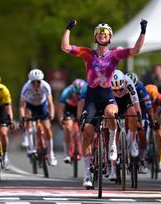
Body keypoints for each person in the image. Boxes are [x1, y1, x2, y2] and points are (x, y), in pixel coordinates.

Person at [61, 18, 147, 188]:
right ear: (96, 37)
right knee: (87, 132)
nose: (102, 35)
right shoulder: (88, 54)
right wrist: (68, 28)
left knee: (111, 114)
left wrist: (143, 31)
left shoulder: (115, 54)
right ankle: (87, 175)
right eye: (99, 33)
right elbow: (65, 47)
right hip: (92, 96)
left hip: (107, 93)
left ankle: (112, 143)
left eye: (105, 33)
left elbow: (136, 50)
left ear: (110, 38)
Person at [19, 69, 57, 166]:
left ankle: (51, 153)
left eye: (38, 82)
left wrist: (52, 114)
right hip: (30, 105)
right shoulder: (26, 88)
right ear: (30, 82)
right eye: (33, 82)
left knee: (47, 128)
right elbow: (22, 106)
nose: (36, 85)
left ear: (41, 81)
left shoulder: (46, 86)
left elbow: (50, 103)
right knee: (28, 118)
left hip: (41, 105)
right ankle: (31, 147)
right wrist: (22, 117)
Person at [110, 70, 142, 180]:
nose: (118, 92)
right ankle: (113, 169)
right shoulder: (107, 84)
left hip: (126, 99)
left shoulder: (128, 82)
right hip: (113, 101)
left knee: (133, 113)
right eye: (115, 90)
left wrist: (139, 118)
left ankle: (133, 142)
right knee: (113, 129)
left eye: (120, 89)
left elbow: (136, 101)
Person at [126, 72, 153, 174]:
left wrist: (151, 118)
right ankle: (126, 155)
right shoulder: (122, 87)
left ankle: (142, 160)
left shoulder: (141, 87)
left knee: (142, 134)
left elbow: (149, 106)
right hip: (128, 107)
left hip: (142, 109)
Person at [57, 78, 86, 163]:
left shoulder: (85, 91)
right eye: (76, 94)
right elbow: (60, 108)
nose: (77, 96)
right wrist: (61, 119)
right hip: (70, 108)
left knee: (85, 128)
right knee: (68, 127)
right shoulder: (66, 92)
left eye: (79, 94)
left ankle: (83, 148)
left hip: (82, 107)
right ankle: (66, 153)